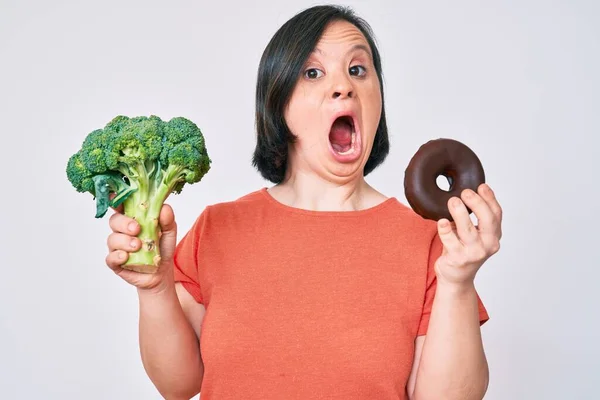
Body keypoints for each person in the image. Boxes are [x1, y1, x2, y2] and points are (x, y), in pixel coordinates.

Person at [104, 4, 502, 400]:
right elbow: (178, 385)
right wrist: (155, 289)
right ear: (279, 102)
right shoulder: (217, 228)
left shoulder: (430, 241)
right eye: (313, 72)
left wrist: (457, 281)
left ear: (378, 99)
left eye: (358, 69)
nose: (344, 85)